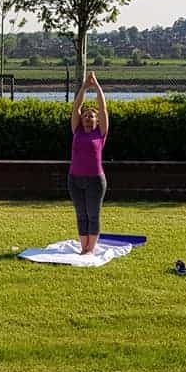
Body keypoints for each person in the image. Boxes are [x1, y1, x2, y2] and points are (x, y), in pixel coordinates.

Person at [69, 71, 109, 255]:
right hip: (74, 179)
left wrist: (97, 86)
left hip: (95, 180)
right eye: (85, 116)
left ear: (97, 120)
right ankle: (83, 247)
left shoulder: (100, 133)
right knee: (80, 214)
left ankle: (90, 249)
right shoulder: (77, 131)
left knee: (93, 215)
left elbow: (103, 108)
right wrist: (84, 87)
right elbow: (76, 107)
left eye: (91, 116)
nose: (87, 118)